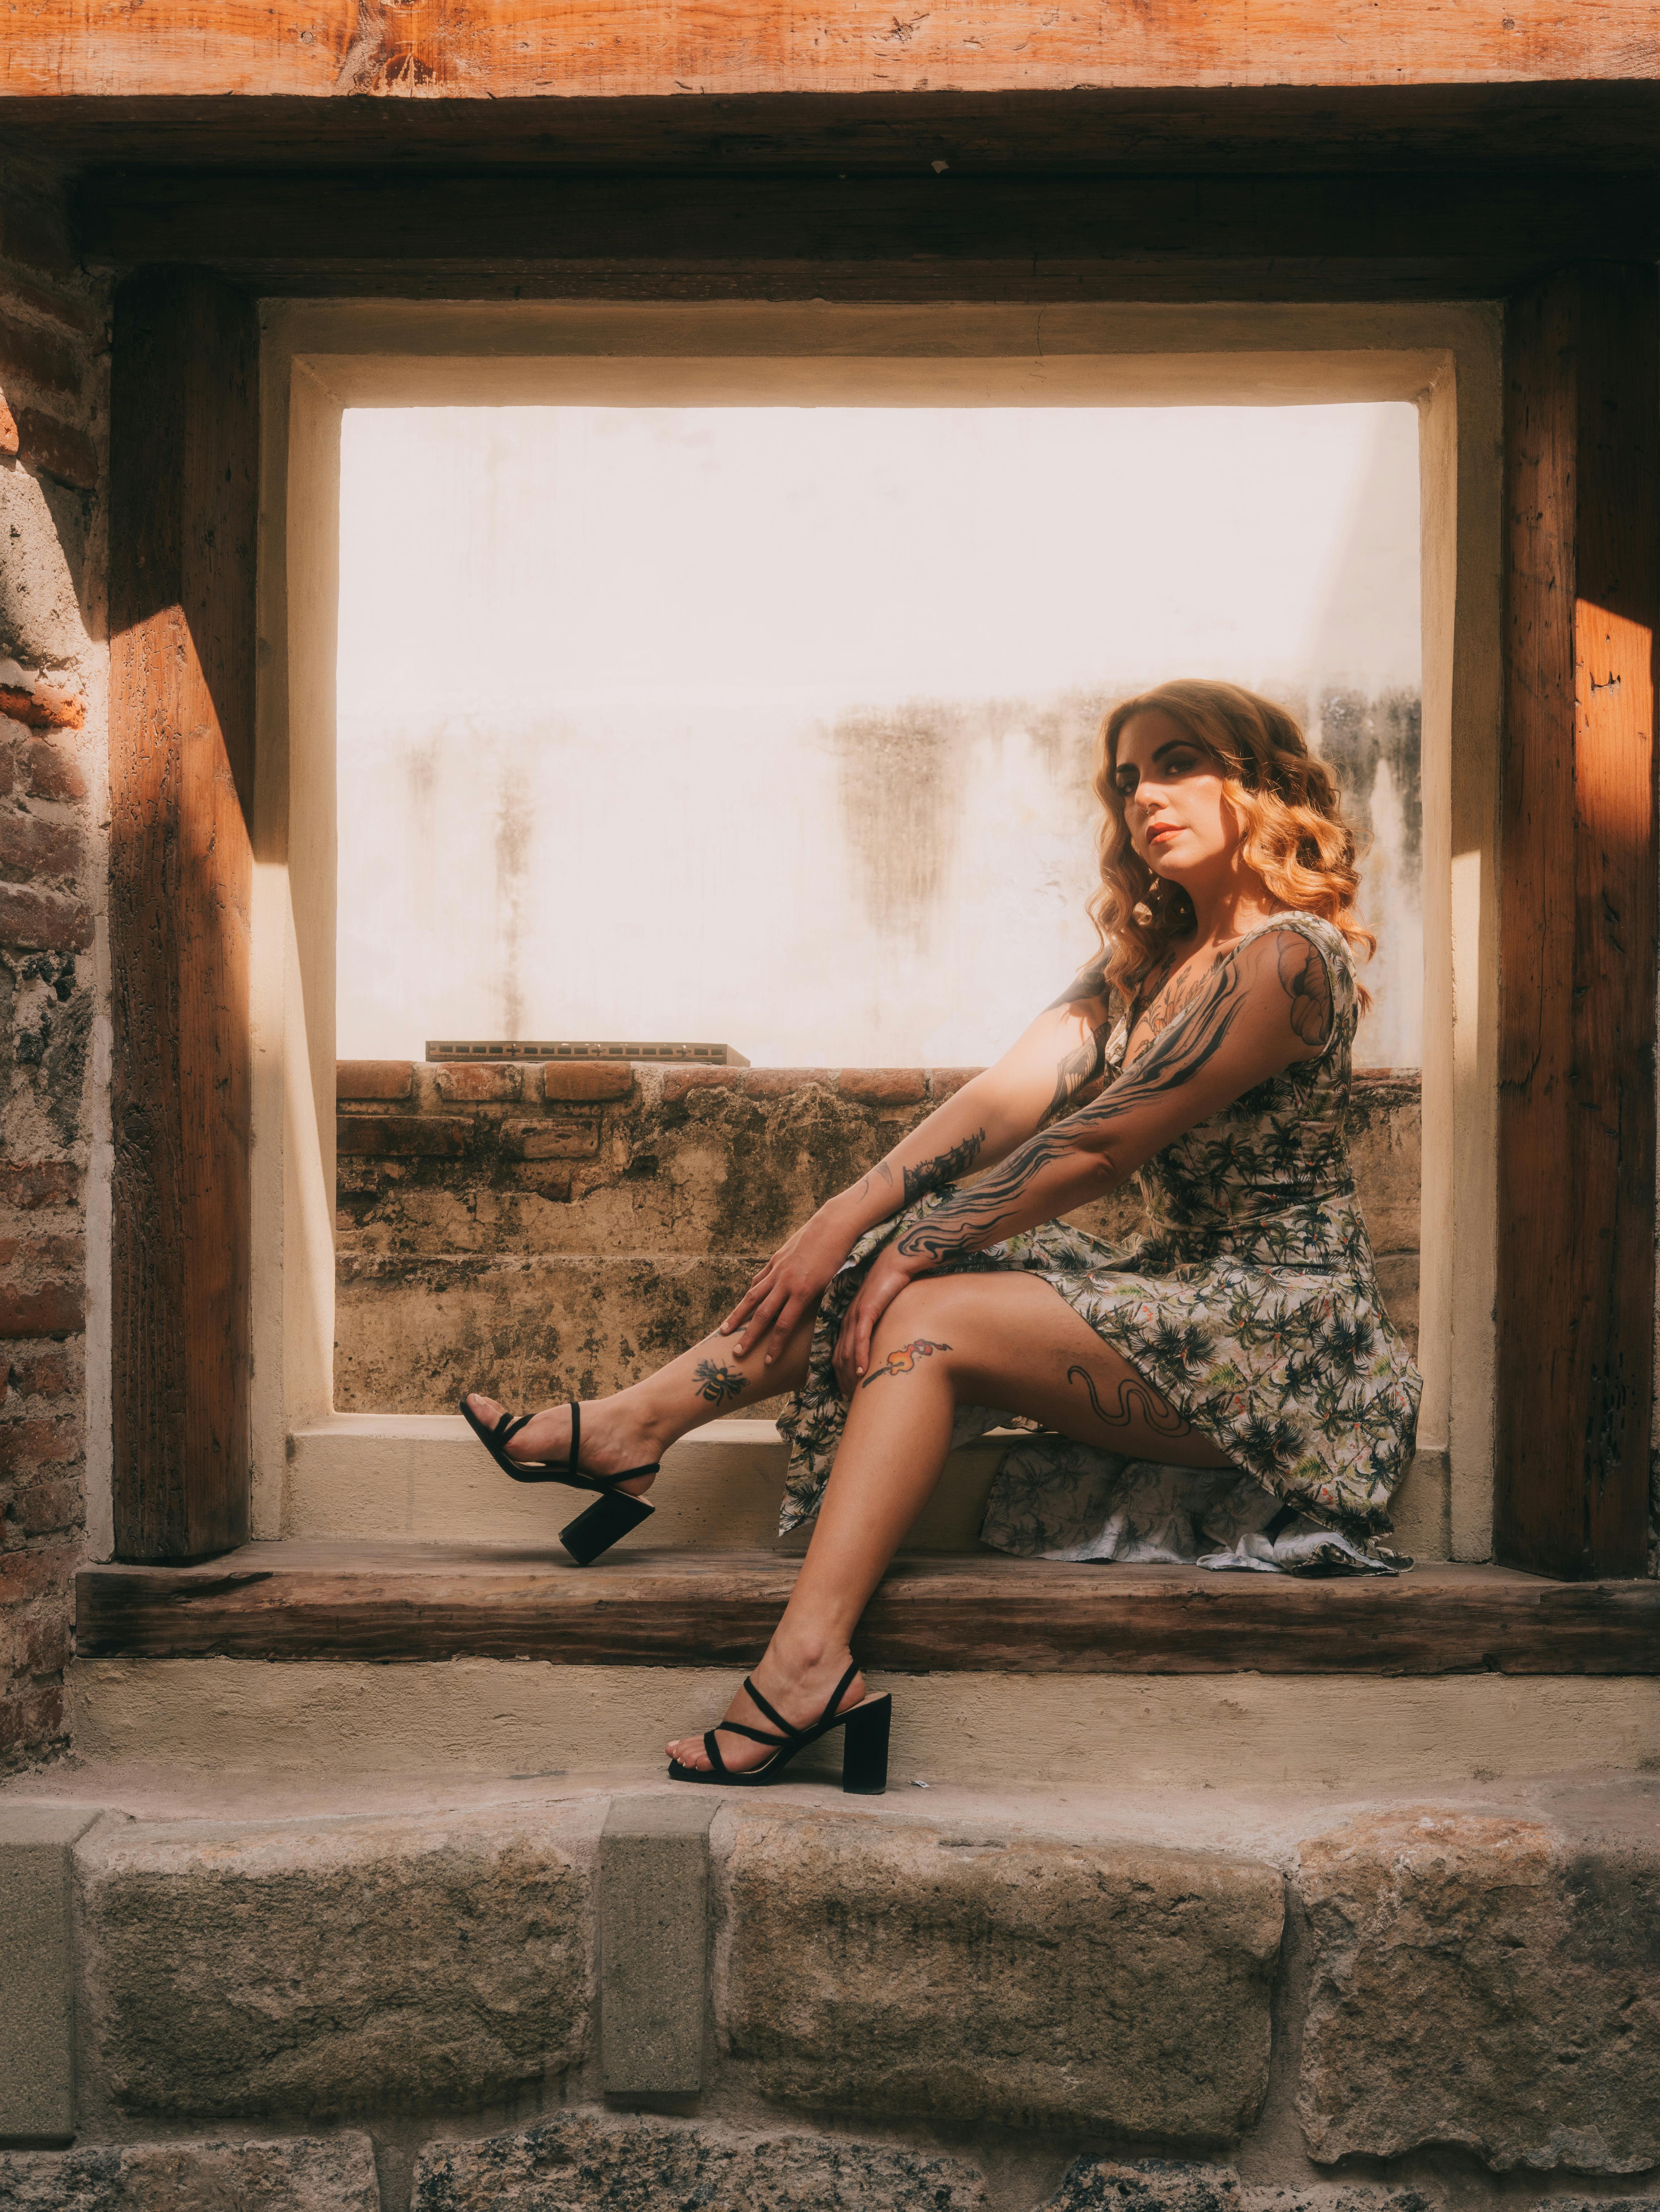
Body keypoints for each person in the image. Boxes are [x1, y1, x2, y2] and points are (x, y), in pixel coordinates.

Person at [462, 679, 1422, 1793]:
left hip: (1290, 1345)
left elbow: (1101, 1144)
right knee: (893, 1261)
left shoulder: (1289, 960)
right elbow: (1005, 1101)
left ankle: (807, 1661)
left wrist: (910, 1250)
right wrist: (847, 1215)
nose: (1144, 799)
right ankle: (634, 1428)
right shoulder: (1145, 968)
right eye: (1127, 780)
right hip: (1184, 1301)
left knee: (928, 1304)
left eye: (1177, 764)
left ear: (1256, 781)